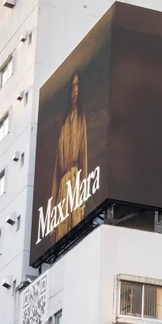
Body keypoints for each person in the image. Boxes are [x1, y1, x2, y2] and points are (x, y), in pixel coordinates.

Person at [50, 72, 89, 239]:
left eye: (77, 85)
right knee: (61, 235)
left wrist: (83, 199)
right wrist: (52, 209)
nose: (75, 90)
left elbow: (84, 158)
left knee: (76, 234)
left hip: (75, 183)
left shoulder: (81, 118)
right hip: (63, 187)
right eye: (72, 86)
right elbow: (56, 170)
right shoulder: (64, 121)